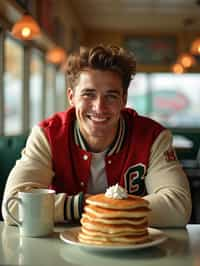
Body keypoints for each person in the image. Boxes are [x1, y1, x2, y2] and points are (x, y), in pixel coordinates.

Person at [2, 45, 191, 227]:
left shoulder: (153, 137)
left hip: (133, 249)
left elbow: (178, 206)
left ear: (124, 99)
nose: (99, 107)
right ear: (71, 97)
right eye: (88, 94)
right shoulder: (47, 135)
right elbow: (13, 205)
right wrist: (90, 206)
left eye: (111, 96)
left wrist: (103, 209)